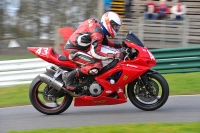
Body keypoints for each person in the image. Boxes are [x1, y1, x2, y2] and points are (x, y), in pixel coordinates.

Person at [62, 11, 124, 90]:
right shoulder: (98, 33)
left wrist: (119, 45)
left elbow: (104, 42)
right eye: (115, 26)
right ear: (109, 23)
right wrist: (114, 55)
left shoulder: (98, 28)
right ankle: (68, 77)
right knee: (96, 65)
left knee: (100, 61)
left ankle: (88, 81)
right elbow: (95, 53)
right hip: (73, 51)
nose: (116, 28)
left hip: (79, 48)